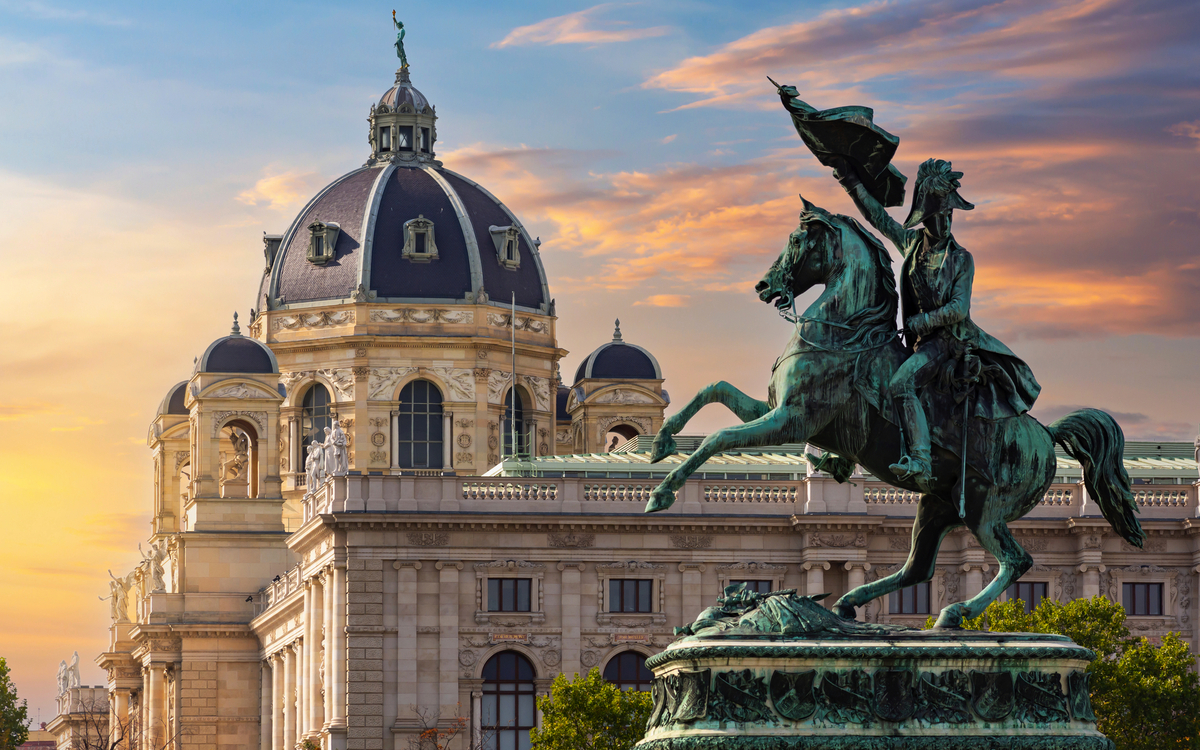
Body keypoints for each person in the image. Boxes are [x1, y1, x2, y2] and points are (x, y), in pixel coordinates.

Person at [833, 157, 1040, 492]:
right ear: (925, 214)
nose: (945, 221)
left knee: (901, 384)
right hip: (917, 342)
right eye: (939, 214)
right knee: (862, 369)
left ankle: (920, 459)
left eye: (949, 214)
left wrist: (921, 321)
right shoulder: (912, 244)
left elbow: (959, 308)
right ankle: (846, 451)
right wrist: (848, 178)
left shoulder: (961, 259)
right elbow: (878, 218)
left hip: (948, 343)